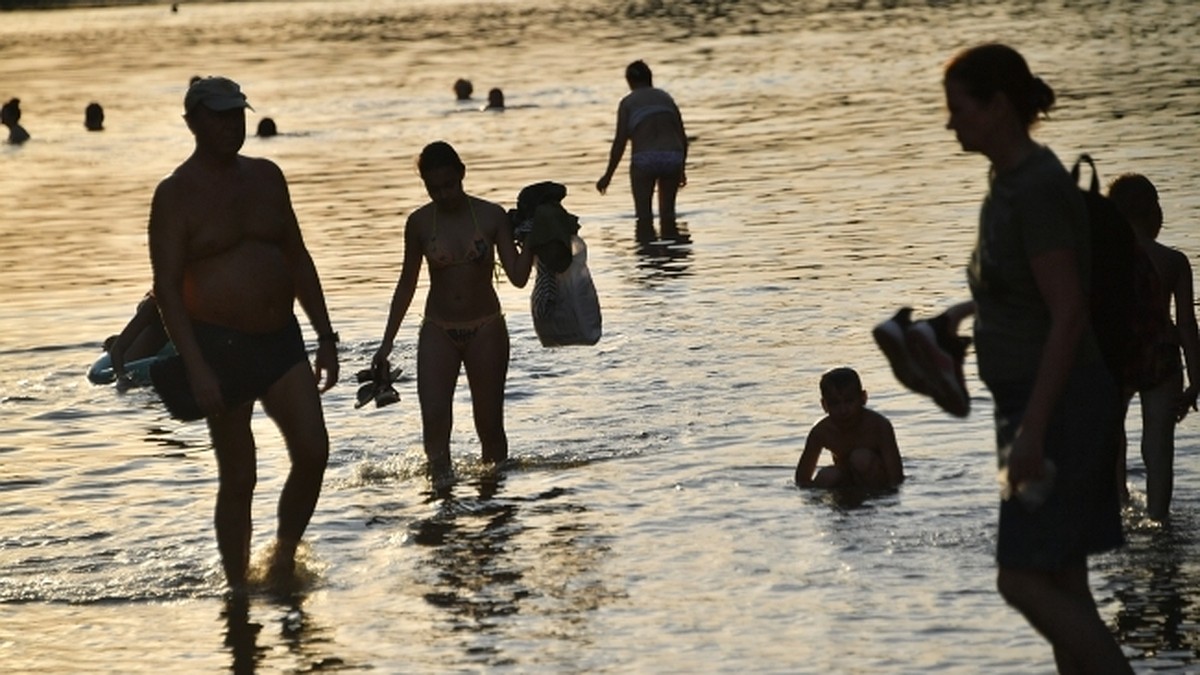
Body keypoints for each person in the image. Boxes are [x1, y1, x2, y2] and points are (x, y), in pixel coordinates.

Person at [938, 44, 1130, 672]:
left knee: (1019, 580)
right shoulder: (1010, 183)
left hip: (1058, 408)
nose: (950, 123)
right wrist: (954, 322)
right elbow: (1024, 294)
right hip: (1037, 405)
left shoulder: (1038, 188)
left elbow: (1069, 311)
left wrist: (1033, 432)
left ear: (998, 106)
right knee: (1063, 584)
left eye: (958, 108)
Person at [146, 76, 339, 593]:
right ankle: (237, 591)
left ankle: (281, 559)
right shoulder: (175, 195)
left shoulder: (268, 177)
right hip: (219, 347)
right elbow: (166, 289)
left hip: (281, 339)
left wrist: (325, 335)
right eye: (220, 115)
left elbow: (297, 256)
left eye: (238, 113)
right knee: (240, 477)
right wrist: (196, 366)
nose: (233, 124)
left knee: (314, 450)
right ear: (192, 121)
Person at [372, 141, 533, 485]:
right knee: (434, 422)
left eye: (449, 185)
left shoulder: (491, 216)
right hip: (438, 330)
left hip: (486, 327)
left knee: (489, 426)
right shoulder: (418, 223)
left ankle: (494, 503)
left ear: (462, 174)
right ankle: (441, 499)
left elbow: (518, 277)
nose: (443, 194)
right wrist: (386, 344)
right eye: (434, 188)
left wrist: (533, 238)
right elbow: (406, 284)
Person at [1108, 173, 1200, 521]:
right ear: (1155, 214)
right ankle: (1159, 518)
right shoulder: (1173, 261)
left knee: (1114, 439)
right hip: (1161, 357)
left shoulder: (1101, 260)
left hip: (1117, 357)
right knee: (1159, 444)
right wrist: (1197, 380)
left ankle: (1118, 506)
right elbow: (1188, 324)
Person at [596, 60, 689, 242]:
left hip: (644, 159)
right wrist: (682, 169)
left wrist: (607, 176)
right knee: (668, 214)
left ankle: (649, 259)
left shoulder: (628, 103)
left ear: (629, 81)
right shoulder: (666, 98)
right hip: (673, 156)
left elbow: (620, 142)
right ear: (650, 78)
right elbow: (682, 137)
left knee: (644, 217)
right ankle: (672, 257)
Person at [794, 367, 904, 491]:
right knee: (827, 475)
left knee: (861, 458)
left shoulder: (879, 426)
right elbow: (802, 479)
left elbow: (896, 477)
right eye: (835, 404)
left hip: (876, 482)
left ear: (863, 398)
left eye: (849, 401)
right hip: (845, 483)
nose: (843, 410)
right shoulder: (821, 432)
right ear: (824, 405)